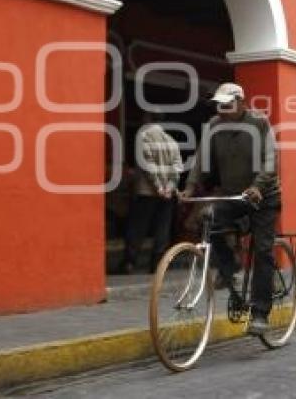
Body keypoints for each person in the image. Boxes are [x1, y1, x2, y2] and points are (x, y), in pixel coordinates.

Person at [182, 82, 280, 336]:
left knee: (263, 250)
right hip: (233, 195)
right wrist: (190, 188)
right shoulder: (214, 125)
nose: (223, 110)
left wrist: (258, 185)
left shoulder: (259, 123)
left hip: (263, 196)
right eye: (219, 105)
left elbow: (271, 159)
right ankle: (230, 269)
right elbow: (201, 157)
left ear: (242, 103)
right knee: (208, 220)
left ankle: (260, 313)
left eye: (227, 104)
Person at [120, 112, 182, 274]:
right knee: (162, 229)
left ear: (147, 119)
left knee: (137, 227)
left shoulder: (144, 137)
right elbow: (176, 169)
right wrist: (168, 187)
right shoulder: (171, 141)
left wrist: (158, 187)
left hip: (146, 192)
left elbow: (148, 164)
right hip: (167, 194)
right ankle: (157, 265)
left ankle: (130, 262)